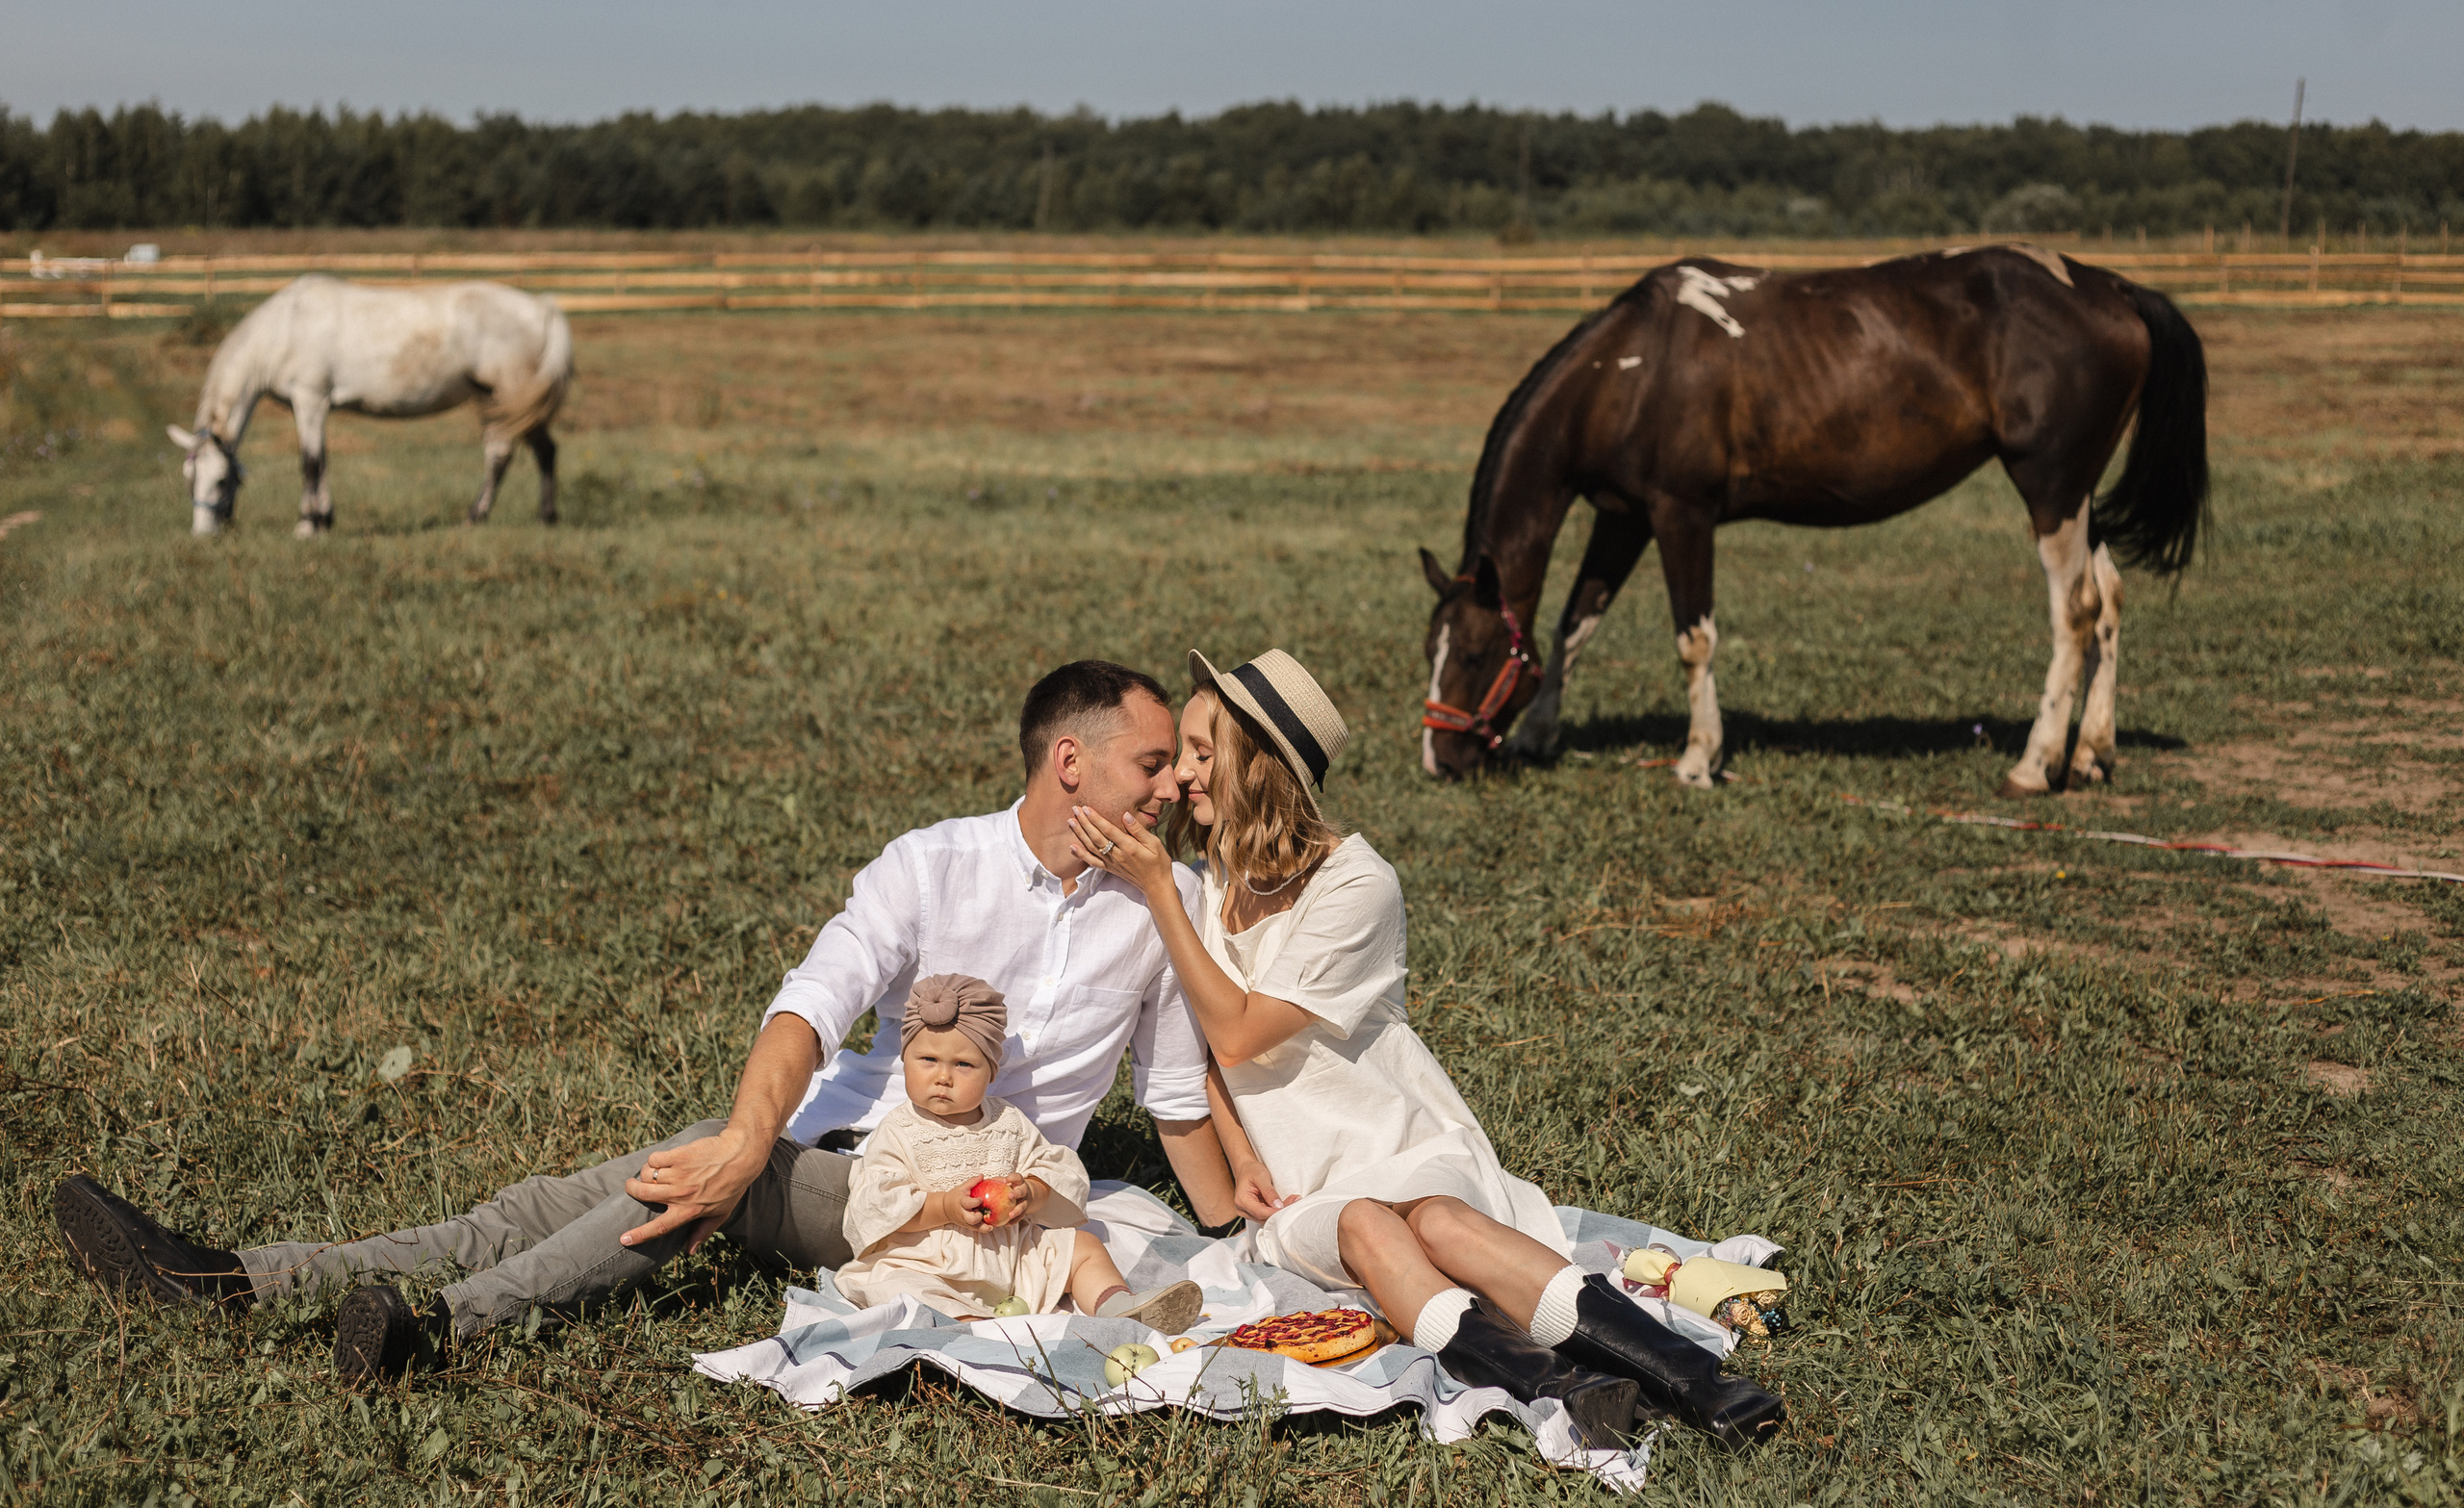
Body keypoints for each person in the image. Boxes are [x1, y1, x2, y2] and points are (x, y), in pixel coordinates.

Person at [52, 659, 1236, 1386]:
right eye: (1151, 763)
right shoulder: (931, 865)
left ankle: (406, 1319)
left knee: (690, 1187)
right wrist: (741, 1134)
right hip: (834, 1144)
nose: (1173, 787)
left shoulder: (1167, 908)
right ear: (1068, 763)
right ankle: (249, 1279)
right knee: (585, 1194)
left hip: (953, 1199)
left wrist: (1239, 1222)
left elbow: (1177, 1100)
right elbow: (809, 1005)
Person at [1066, 648, 1785, 1452]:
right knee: (1371, 1227)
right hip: (1310, 1188)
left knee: (1440, 1218)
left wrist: (1161, 888)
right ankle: (1565, 1385)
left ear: (1258, 762)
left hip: (1400, 1140)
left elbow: (1239, 1028)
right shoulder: (1208, 880)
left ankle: (1696, 1377)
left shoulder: (1356, 885)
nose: (1183, 777)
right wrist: (1238, 1156)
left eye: (1204, 753)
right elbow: (1206, 1045)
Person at [834, 973, 1201, 1331]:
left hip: (1011, 1256)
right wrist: (945, 1206)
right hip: (929, 1261)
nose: (943, 1076)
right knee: (898, 1286)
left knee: (1083, 1247)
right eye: (928, 1060)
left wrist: (1032, 1192)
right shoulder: (899, 1130)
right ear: (905, 1061)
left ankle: (1117, 1306)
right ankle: (968, 1327)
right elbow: (879, 1204)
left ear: (991, 1071)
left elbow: (1054, 1166)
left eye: (963, 1064)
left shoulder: (1007, 1121)